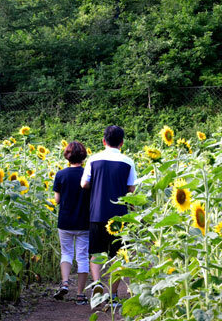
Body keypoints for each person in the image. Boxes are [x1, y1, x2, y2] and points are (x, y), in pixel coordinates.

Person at [80, 126, 136, 309]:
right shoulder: (128, 162)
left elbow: (84, 183)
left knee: (96, 251)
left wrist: (96, 187)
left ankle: (97, 283)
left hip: (96, 212)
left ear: (104, 141)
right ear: (122, 143)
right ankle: (112, 295)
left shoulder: (94, 159)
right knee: (118, 255)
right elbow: (131, 190)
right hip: (119, 216)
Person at [52, 141, 90, 304]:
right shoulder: (88, 175)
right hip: (84, 221)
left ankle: (65, 283)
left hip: (65, 221)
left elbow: (57, 200)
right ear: (83, 157)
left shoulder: (61, 175)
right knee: (82, 256)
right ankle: (80, 294)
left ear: (67, 156)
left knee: (66, 253)